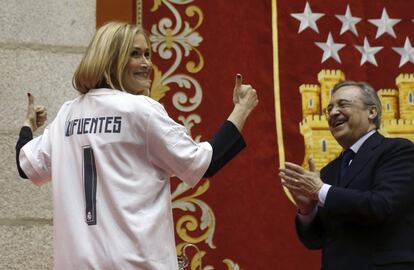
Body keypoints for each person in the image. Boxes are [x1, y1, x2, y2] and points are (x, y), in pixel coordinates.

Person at [15, 21, 258, 270]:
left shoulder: (67, 114)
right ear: (110, 59)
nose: (146, 63)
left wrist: (27, 126)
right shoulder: (141, 110)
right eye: (135, 54)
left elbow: (26, 166)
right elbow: (202, 164)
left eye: (147, 54)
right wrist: (242, 109)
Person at [279, 80, 414, 269]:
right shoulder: (329, 171)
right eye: (329, 108)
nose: (333, 113)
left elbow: (381, 206)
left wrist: (321, 190)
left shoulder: (397, 150)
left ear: (372, 112)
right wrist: (307, 210)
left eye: (343, 104)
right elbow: (315, 241)